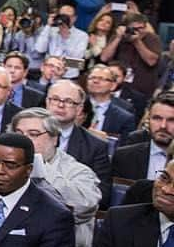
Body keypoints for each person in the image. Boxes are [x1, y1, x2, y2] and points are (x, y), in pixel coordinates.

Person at [0, 109, 101, 247]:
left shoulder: (77, 171)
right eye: (19, 133)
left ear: (54, 138)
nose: (24, 140)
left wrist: (38, 167)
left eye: (33, 134)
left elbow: (85, 206)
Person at [46, 79, 113, 208]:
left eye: (68, 101)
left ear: (79, 109)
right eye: (55, 99)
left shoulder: (96, 147)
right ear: (47, 102)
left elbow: (101, 195)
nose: (60, 105)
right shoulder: (28, 135)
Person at [113, 92, 174, 181]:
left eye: (171, 120)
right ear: (148, 119)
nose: (163, 126)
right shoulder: (124, 157)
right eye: (157, 118)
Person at [101, 12, 163, 97]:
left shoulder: (152, 38)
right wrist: (118, 38)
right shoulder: (118, 37)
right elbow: (104, 58)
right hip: (117, 87)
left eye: (141, 28)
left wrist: (137, 41)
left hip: (142, 88)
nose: (138, 31)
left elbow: (151, 61)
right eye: (134, 28)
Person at [35, 3, 90, 79]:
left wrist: (66, 36)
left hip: (69, 76)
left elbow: (77, 61)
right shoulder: (50, 31)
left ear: (74, 18)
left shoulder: (82, 35)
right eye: (62, 16)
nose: (65, 19)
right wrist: (48, 26)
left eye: (68, 16)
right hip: (49, 75)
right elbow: (39, 49)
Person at [85, 64, 138, 138]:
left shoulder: (125, 116)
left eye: (101, 79)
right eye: (92, 78)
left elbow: (126, 144)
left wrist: (106, 138)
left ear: (113, 85)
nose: (95, 81)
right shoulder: (76, 106)